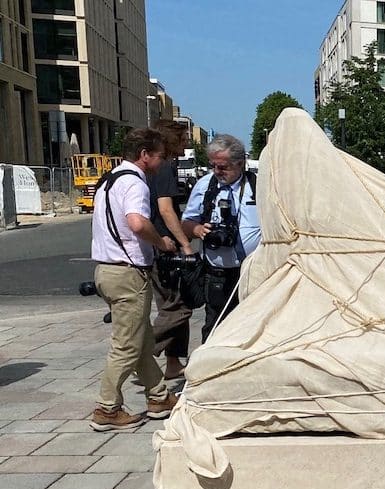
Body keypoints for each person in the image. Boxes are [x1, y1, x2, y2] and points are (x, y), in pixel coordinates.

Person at [89, 128, 179, 431]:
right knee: (127, 345)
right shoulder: (135, 184)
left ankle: (158, 396)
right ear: (144, 155)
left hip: (106, 270)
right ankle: (107, 408)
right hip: (127, 273)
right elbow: (137, 223)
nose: (162, 163)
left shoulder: (108, 180)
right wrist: (162, 242)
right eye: (159, 157)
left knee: (140, 340)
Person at [182, 134, 262, 343]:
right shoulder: (204, 186)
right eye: (213, 166)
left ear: (240, 163)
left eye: (223, 167)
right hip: (216, 273)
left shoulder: (259, 186)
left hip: (252, 272)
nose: (217, 172)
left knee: (252, 327)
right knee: (215, 326)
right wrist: (198, 229)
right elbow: (186, 224)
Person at [148, 120, 193, 380]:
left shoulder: (156, 168)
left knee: (171, 306)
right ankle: (139, 352)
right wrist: (185, 243)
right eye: (183, 138)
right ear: (170, 140)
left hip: (157, 246)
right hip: (166, 246)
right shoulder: (164, 167)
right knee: (179, 307)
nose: (186, 143)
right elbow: (166, 209)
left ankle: (174, 362)